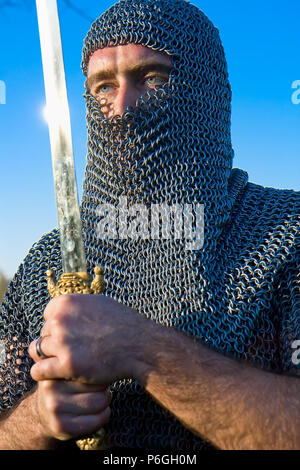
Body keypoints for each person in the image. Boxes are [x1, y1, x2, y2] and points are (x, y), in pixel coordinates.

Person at [0, 0, 299, 451]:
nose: (121, 108)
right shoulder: (49, 261)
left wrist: (145, 351)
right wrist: (37, 419)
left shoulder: (286, 235)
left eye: (151, 78)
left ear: (207, 92)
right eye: (103, 85)